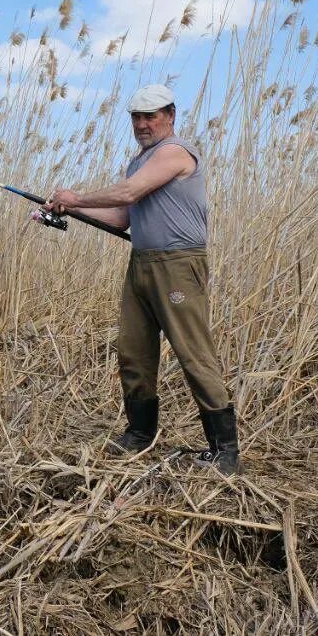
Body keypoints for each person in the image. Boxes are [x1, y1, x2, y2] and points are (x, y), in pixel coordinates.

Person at [37, 84, 241, 475]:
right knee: (132, 350)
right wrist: (63, 207)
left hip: (179, 264)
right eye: (137, 117)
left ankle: (225, 451)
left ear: (170, 115)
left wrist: (76, 196)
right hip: (142, 264)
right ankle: (139, 433)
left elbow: (130, 192)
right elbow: (120, 217)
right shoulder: (139, 162)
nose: (143, 124)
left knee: (193, 352)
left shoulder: (175, 153)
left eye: (151, 116)